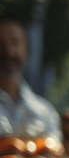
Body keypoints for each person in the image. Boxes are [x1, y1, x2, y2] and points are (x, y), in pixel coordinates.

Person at [0, 12, 61, 140]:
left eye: (15, 43)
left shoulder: (45, 113)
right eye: (1, 44)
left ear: (27, 49)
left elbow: (58, 156)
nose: (8, 51)